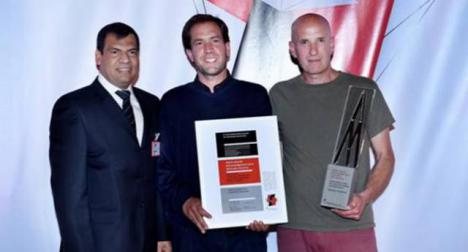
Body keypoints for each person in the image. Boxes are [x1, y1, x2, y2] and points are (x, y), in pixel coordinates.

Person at [269, 13, 395, 252]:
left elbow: (386, 156)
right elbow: (264, 158)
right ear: (292, 49)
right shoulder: (279, 95)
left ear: (333, 44)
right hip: (294, 228)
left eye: (320, 40)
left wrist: (365, 196)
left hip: (350, 228)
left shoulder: (364, 89)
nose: (313, 50)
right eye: (304, 42)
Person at [49, 22, 171, 252]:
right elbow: (69, 197)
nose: (126, 60)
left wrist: (162, 233)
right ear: (98, 57)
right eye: (115, 51)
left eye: (132, 52)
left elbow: (156, 176)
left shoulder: (152, 104)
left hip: (148, 242)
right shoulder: (74, 108)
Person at [157, 14, 271, 252]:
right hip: (192, 234)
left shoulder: (256, 96)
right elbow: (163, 171)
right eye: (199, 43)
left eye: (215, 40)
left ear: (227, 48)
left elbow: (270, 163)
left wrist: (269, 210)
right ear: (189, 54)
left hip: (246, 235)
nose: (208, 49)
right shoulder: (172, 102)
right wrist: (185, 201)